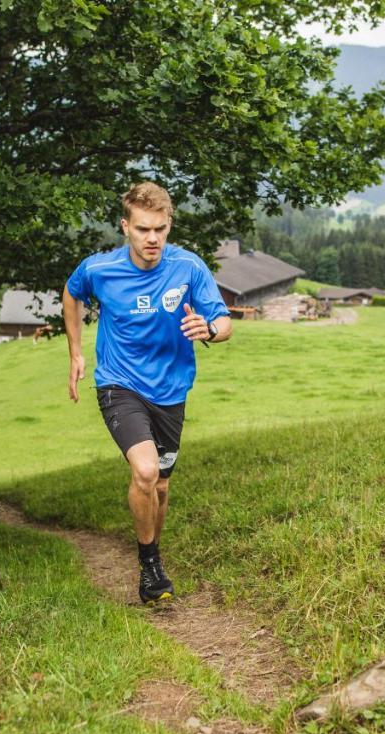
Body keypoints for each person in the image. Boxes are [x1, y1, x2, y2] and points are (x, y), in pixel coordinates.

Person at [63, 182, 232, 604]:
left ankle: (151, 548)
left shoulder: (189, 268)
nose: (152, 238)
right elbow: (71, 293)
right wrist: (76, 353)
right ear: (126, 227)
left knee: (160, 487)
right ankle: (150, 564)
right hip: (119, 384)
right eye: (142, 229)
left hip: (172, 389)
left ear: (169, 225)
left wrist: (209, 329)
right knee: (145, 471)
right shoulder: (100, 270)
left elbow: (224, 322)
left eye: (159, 229)